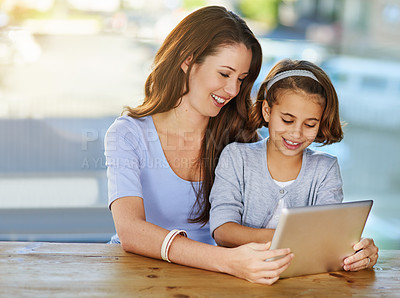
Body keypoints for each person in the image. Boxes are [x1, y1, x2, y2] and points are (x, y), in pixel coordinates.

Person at [104, 6, 294, 285]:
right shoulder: (128, 134)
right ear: (188, 60)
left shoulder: (242, 138)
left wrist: (344, 247)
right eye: (224, 74)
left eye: (241, 79)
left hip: (218, 281)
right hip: (136, 278)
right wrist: (226, 261)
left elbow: (287, 215)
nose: (233, 91)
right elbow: (131, 231)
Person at [209, 59, 379, 272]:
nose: (296, 133)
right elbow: (223, 231)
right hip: (240, 279)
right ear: (267, 111)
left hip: (303, 283)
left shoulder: (325, 168)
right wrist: (291, 240)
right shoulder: (236, 158)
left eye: (310, 124)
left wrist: (358, 251)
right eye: (287, 120)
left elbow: (330, 239)